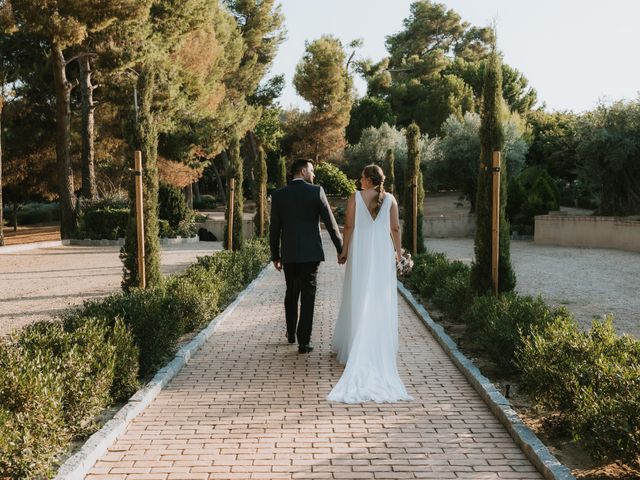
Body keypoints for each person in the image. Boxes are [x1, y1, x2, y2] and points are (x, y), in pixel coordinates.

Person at [327, 164, 412, 403]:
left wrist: (344, 251)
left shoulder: (355, 197)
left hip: (361, 250)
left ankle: (356, 343)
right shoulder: (391, 199)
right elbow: (395, 228)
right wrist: (398, 254)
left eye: (361, 177)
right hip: (382, 252)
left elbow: (349, 226)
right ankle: (376, 340)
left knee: (358, 293)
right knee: (378, 297)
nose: (359, 181)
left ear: (367, 179)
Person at [269, 159, 343, 354]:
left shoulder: (278, 195)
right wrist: (340, 248)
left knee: (291, 292)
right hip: (311, 254)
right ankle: (304, 342)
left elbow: (274, 228)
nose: (314, 175)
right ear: (302, 171)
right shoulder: (316, 191)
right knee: (308, 295)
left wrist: (275, 255)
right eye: (311, 170)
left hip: (290, 253)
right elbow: (330, 223)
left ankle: (291, 332)